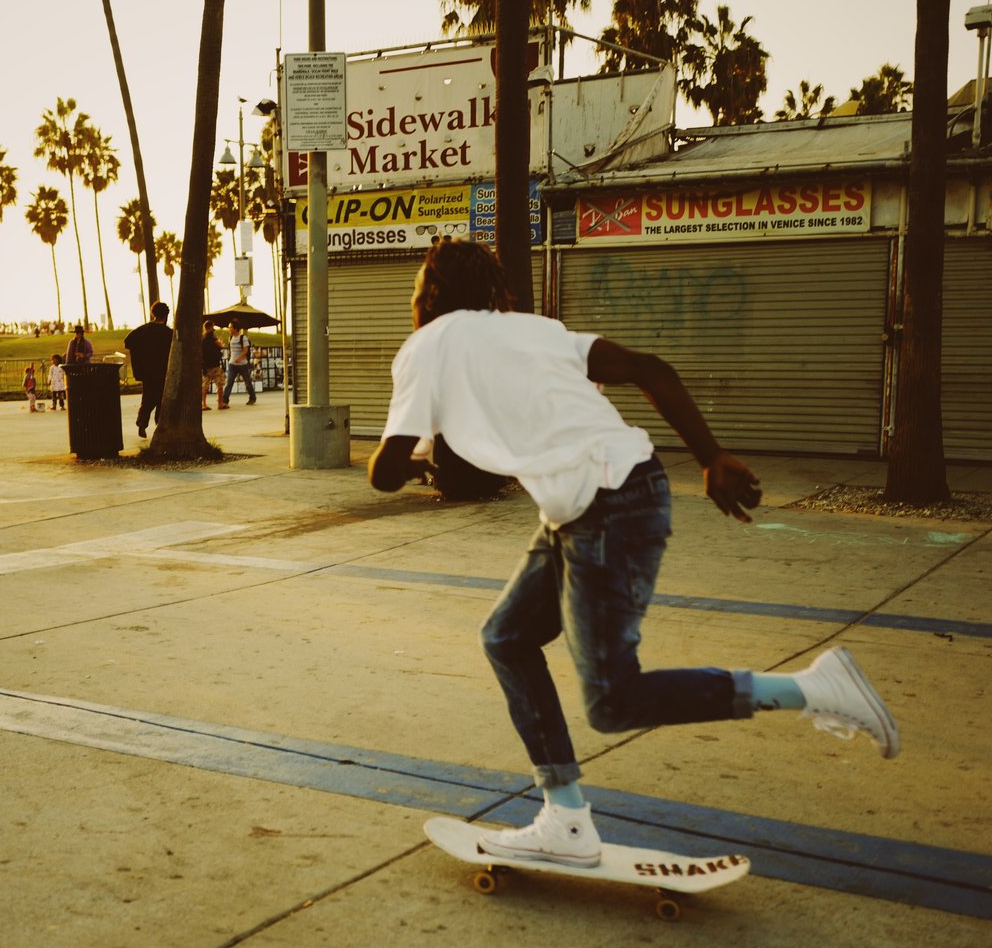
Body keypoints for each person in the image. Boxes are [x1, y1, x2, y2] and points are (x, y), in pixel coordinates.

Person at [368, 238, 899, 868]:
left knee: (614, 700)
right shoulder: (538, 332)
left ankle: (812, 690)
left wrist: (401, 459)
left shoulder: (426, 346)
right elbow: (653, 369)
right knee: (506, 638)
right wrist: (711, 457)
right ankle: (565, 819)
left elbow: (385, 472)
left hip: (607, 506)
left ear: (430, 292)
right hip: (601, 499)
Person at [124, 300, 173, 439]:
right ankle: (160, 424)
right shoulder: (169, 333)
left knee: (147, 399)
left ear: (153, 313)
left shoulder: (142, 330)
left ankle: (142, 423)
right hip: (163, 372)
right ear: (166, 315)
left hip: (147, 372)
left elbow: (128, 342)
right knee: (162, 400)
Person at [223, 320, 256, 406]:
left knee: (247, 382)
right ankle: (225, 400)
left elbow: (246, 350)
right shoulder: (230, 338)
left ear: (235, 328)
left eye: (230, 327)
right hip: (232, 364)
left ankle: (252, 398)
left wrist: (239, 358)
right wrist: (232, 358)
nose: (229, 329)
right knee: (229, 382)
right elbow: (231, 350)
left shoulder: (243, 338)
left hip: (242, 364)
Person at [201, 320, 226, 410]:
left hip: (205, 366)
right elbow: (220, 346)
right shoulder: (213, 338)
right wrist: (221, 343)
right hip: (215, 365)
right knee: (220, 384)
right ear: (211, 328)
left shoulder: (202, 339)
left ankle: (203, 404)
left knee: (205, 386)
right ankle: (220, 403)